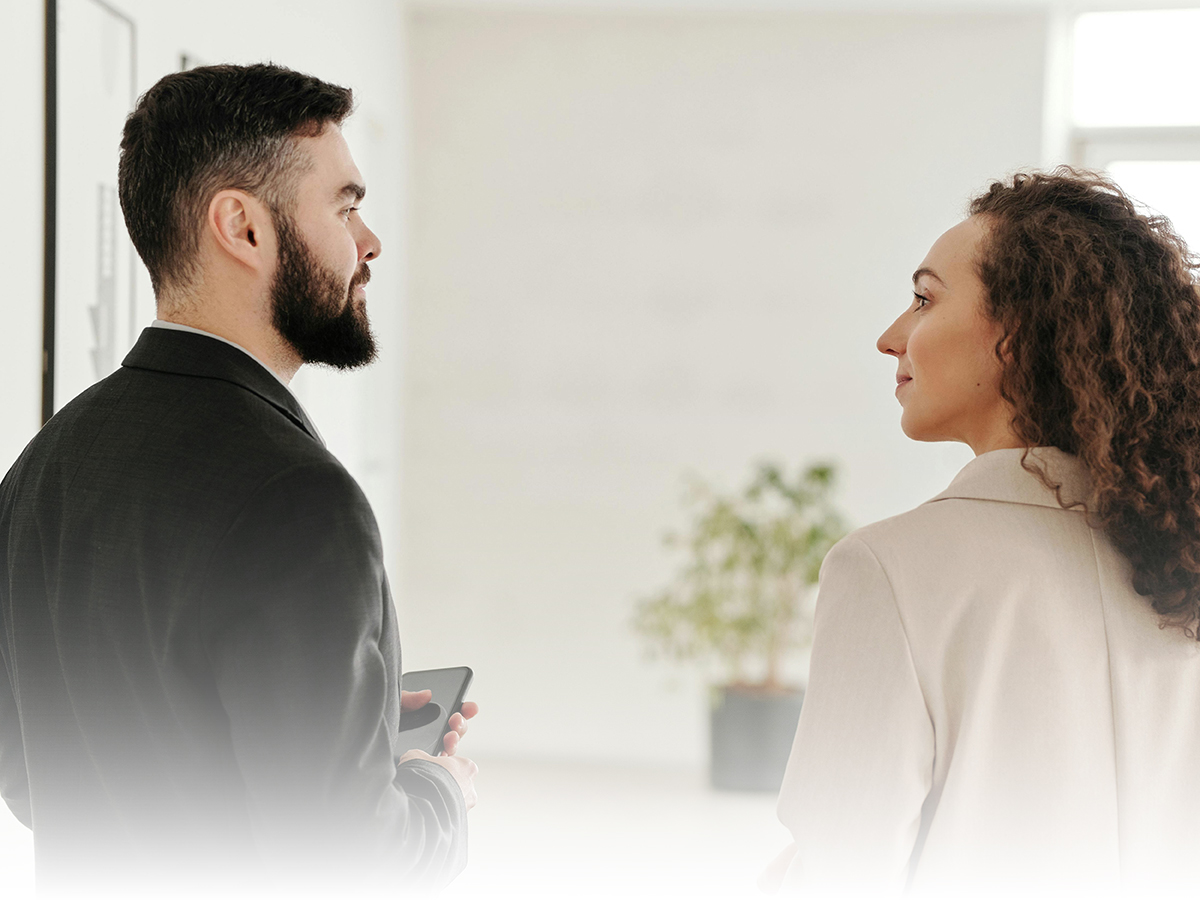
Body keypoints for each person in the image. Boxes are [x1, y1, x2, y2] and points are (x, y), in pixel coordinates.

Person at [0, 63, 477, 898]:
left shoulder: (47, 463)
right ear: (242, 228)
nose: (368, 243)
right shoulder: (303, 499)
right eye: (345, 205)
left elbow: (27, 771)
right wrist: (440, 792)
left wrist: (345, 714)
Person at [765, 170, 1200, 898]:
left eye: (924, 299)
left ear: (1017, 336)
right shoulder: (1179, 558)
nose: (890, 336)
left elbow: (844, 866)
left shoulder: (888, 569)